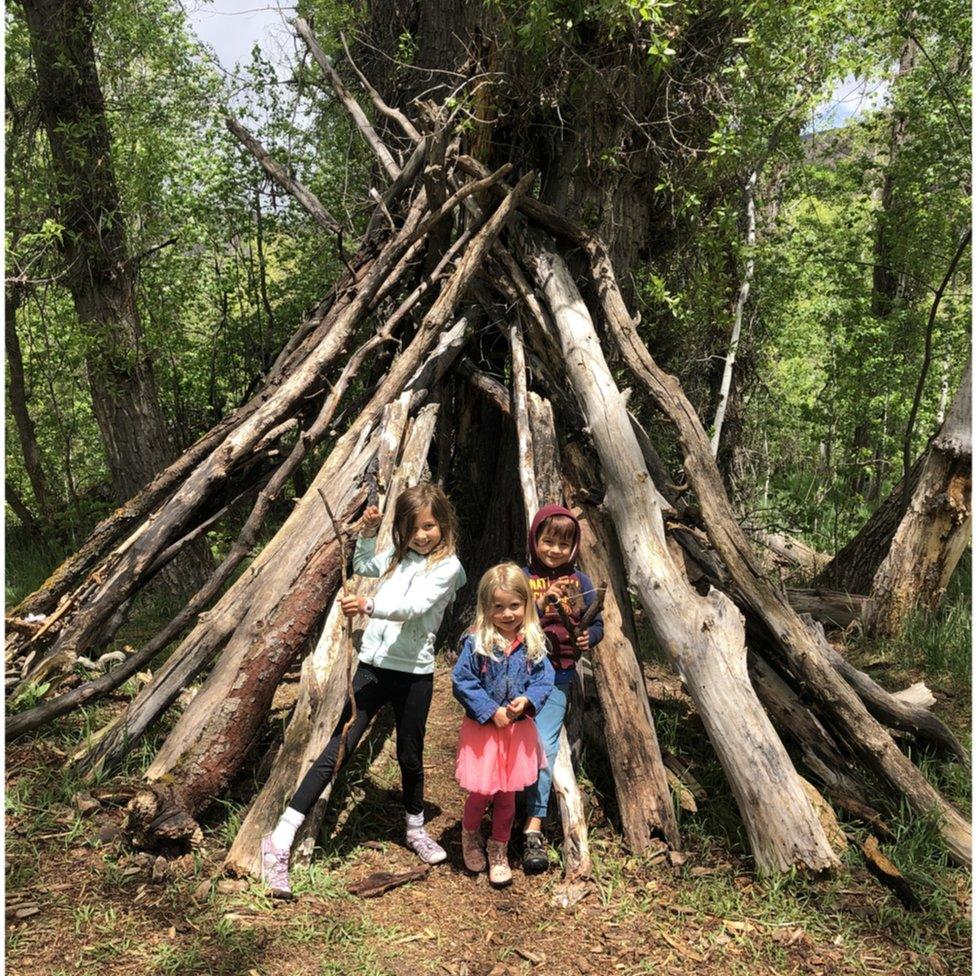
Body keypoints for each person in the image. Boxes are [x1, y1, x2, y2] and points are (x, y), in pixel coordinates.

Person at [261, 483, 466, 897]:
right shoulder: (396, 557)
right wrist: (369, 535)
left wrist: (368, 607)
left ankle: (414, 828)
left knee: (410, 752)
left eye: (429, 526)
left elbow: (415, 608)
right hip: (373, 670)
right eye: (412, 529)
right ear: (403, 533)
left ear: (443, 523)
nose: (422, 535)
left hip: (415, 674)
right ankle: (280, 838)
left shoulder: (449, 569)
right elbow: (362, 564)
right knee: (340, 746)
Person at [452, 563, 554, 887]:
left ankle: (499, 847)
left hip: (516, 731)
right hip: (485, 732)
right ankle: (470, 835)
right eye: (498, 606)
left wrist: (527, 701)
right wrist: (489, 709)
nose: (508, 613)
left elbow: (544, 678)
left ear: (526, 604)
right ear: (486, 607)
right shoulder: (477, 642)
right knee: (481, 793)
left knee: (508, 795)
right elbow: (462, 680)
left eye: (514, 605)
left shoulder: (532, 642)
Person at [521, 504, 603, 873]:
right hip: (519, 674)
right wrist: (539, 604)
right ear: (535, 539)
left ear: (574, 547)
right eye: (548, 540)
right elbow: (508, 619)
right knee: (511, 744)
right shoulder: (522, 578)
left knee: (542, 747)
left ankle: (533, 827)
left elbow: (596, 623)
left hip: (558, 675)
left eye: (563, 544)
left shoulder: (582, 582)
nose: (554, 549)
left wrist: (589, 636)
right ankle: (502, 814)